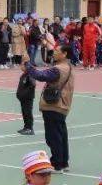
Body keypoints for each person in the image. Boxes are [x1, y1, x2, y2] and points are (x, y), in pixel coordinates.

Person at [23, 45, 74, 173]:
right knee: (61, 134)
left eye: (57, 51)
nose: (54, 52)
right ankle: (63, 162)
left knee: (53, 136)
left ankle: (57, 164)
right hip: (62, 105)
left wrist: (27, 64)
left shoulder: (58, 69)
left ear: (65, 54)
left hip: (54, 105)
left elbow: (39, 75)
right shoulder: (68, 67)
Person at [15, 67, 36, 136]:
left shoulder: (30, 74)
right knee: (24, 112)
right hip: (23, 98)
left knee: (28, 112)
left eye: (22, 65)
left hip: (28, 98)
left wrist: (25, 93)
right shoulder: (24, 74)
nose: (21, 66)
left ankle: (30, 128)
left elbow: (33, 85)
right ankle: (26, 127)